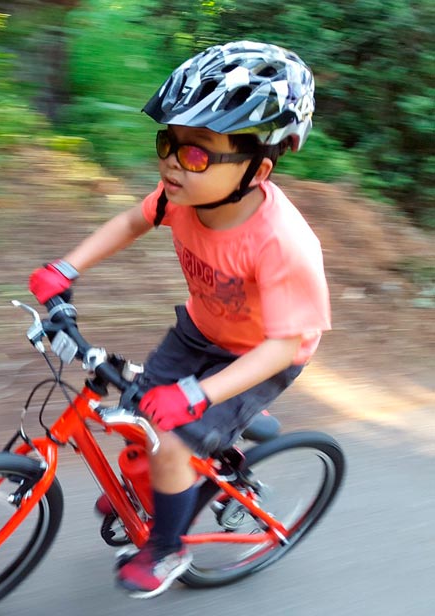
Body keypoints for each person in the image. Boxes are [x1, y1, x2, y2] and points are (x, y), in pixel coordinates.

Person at [28, 41, 330, 599]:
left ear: (256, 169)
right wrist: (65, 268)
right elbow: (128, 223)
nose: (171, 161)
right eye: (168, 142)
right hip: (199, 328)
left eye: (197, 153)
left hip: (257, 356)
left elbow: (283, 347)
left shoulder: (284, 245)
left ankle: (167, 548)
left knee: (170, 444)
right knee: (133, 407)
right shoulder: (181, 198)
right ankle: (211, 449)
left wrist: (196, 394)